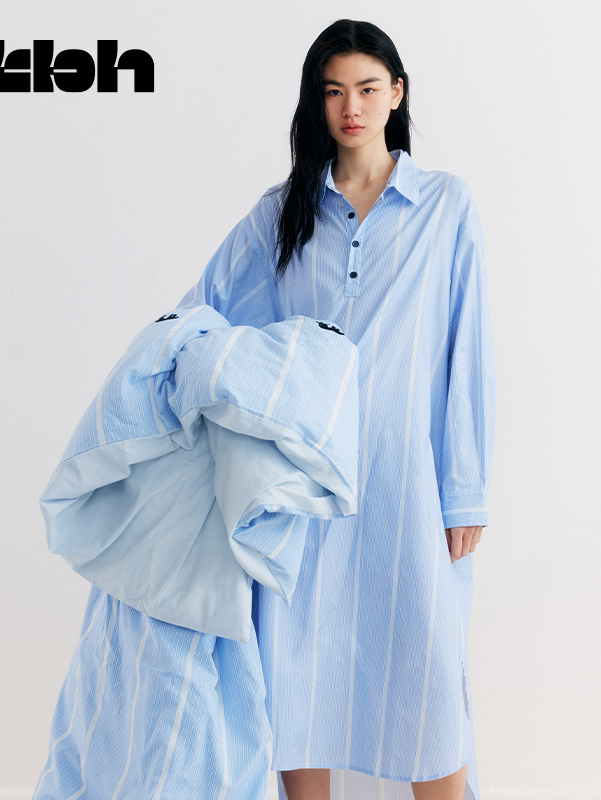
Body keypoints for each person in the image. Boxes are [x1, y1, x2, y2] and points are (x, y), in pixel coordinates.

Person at [177, 18, 495, 800]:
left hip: (405, 481)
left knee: (426, 682)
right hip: (303, 484)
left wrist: (465, 491)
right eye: (332, 92)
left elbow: (467, 352)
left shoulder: (445, 206)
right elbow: (204, 313)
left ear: (396, 93)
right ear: (316, 103)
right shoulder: (282, 212)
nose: (350, 107)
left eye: (366, 88)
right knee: (297, 678)